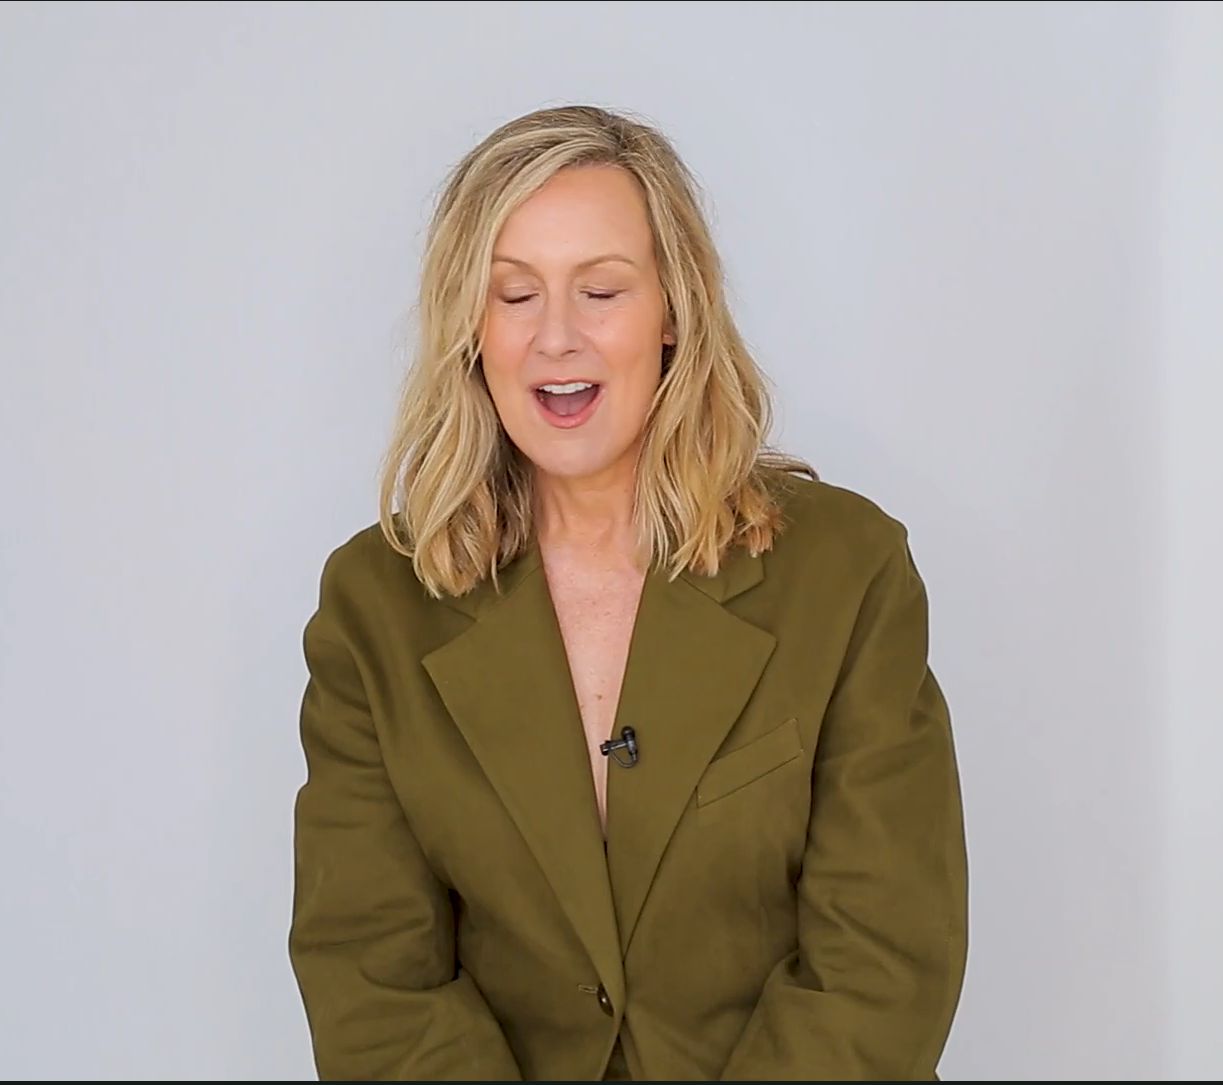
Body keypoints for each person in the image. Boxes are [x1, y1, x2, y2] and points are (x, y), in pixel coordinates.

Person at [288, 104, 968, 1082]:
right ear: (470, 328)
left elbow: (881, 958)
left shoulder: (847, 569)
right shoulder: (373, 607)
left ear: (673, 310)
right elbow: (373, 979)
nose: (555, 338)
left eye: (600, 290)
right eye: (514, 294)